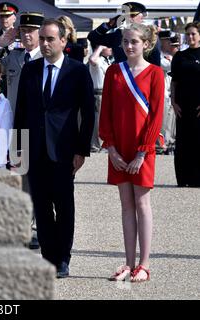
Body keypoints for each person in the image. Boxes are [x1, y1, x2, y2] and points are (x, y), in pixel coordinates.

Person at [13, 19, 95, 278]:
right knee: (42, 206)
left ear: (63, 41)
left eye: (50, 39)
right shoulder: (31, 69)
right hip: (35, 149)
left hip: (64, 151)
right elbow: (21, 110)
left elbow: (88, 113)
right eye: (43, 39)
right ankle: (48, 258)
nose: (45, 43)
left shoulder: (77, 71)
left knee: (64, 206)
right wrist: (18, 147)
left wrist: (82, 150)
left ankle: (63, 258)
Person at [99, 23, 164, 282]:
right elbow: (106, 113)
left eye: (134, 41)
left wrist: (142, 152)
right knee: (126, 205)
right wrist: (110, 148)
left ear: (146, 45)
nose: (128, 46)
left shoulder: (155, 73)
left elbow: (157, 116)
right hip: (118, 148)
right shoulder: (114, 71)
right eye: (125, 41)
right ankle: (128, 263)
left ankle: (144, 265)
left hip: (142, 149)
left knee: (141, 203)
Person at [0, 11, 44, 250]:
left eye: (31, 31)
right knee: (22, 179)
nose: (27, 35)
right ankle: (25, 228)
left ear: (40, 32)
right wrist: (1, 42)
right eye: (23, 30)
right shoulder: (14, 57)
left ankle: (43, 227)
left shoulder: (48, 58)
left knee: (42, 180)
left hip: (41, 129)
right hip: (17, 129)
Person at [170, 21, 200, 187]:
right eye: (188, 34)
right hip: (182, 106)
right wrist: (174, 102)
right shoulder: (180, 56)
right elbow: (174, 81)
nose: (190, 37)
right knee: (183, 143)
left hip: (198, 106)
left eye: (193, 34)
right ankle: (183, 178)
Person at [88, 2, 161, 66]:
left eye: (132, 16)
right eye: (126, 16)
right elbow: (92, 37)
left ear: (142, 17)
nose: (129, 19)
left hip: (140, 78)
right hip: (120, 76)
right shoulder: (118, 34)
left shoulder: (150, 36)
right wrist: (109, 25)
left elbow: (155, 64)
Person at [88, 43, 113, 152]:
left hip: (107, 93)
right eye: (108, 47)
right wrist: (100, 48)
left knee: (105, 120)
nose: (111, 49)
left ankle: (102, 144)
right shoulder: (97, 60)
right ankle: (96, 145)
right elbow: (92, 59)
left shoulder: (107, 60)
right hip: (98, 93)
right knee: (98, 120)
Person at [158, 30, 178, 154]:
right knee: (163, 123)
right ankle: (161, 146)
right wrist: (173, 59)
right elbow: (168, 66)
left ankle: (169, 144)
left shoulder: (170, 56)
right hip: (162, 94)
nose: (171, 45)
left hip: (170, 93)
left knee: (170, 122)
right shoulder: (158, 56)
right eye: (168, 42)